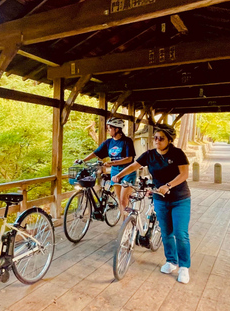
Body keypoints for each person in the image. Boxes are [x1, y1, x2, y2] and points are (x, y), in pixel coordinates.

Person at [112, 124, 192, 284]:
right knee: (166, 232)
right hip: (160, 198)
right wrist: (119, 176)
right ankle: (171, 261)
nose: (157, 140)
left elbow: (184, 174)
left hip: (180, 198)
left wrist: (168, 186)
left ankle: (184, 267)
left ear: (169, 140)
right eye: (155, 137)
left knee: (180, 234)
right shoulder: (149, 155)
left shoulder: (177, 154)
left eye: (161, 138)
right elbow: (134, 165)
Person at [76, 117, 136, 214]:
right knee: (121, 202)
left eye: (109, 128)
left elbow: (129, 159)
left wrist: (112, 163)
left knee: (124, 200)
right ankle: (124, 225)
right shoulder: (108, 142)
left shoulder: (127, 141)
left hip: (127, 171)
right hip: (115, 171)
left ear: (117, 129)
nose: (108, 131)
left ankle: (130, 223)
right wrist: (82, 160)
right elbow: (96, 153)